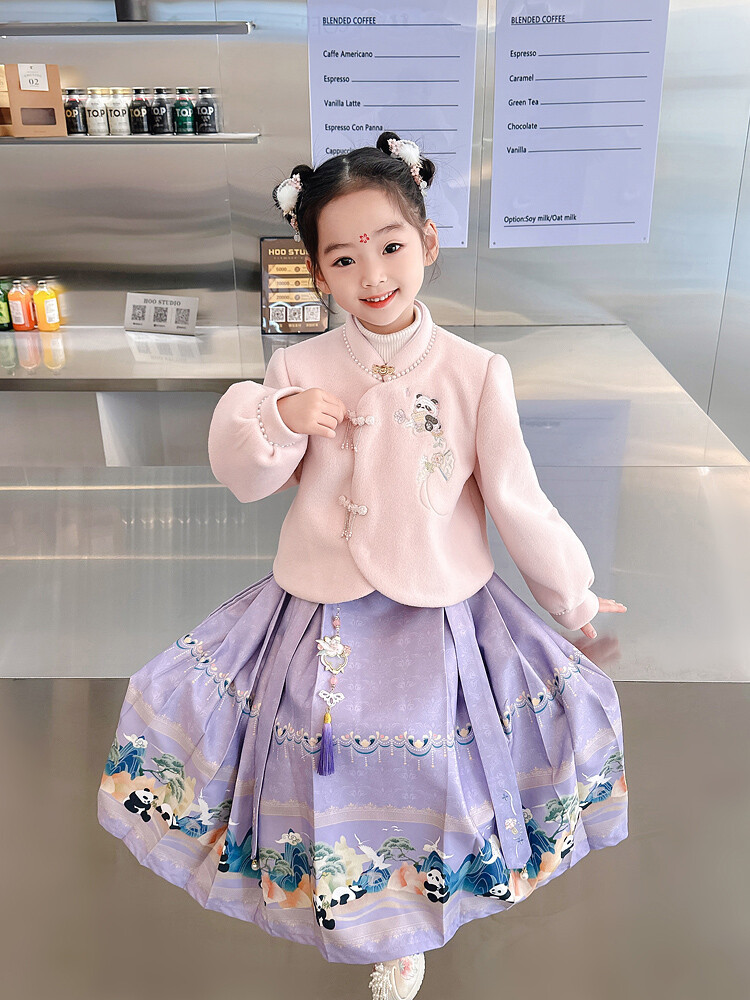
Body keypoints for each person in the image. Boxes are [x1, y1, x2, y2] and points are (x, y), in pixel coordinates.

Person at [97, 131, 629, 1000]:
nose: (372, 274)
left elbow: (516, 499)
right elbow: (246, 476)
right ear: (317, 272)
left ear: (428, 242)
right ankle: (340, 901)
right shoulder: (298, 364)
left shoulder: (474, 372)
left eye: (389, 246)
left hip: (441, 613)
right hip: (317, 612)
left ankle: (409, 922)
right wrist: (281, 418)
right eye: (343, 258)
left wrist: (572, 596)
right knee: (320, 757)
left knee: (431, 766)